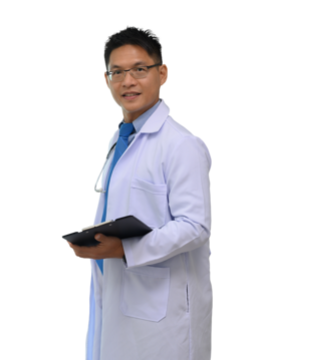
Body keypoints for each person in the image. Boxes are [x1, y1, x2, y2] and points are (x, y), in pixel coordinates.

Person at [70, 25, 213, 360]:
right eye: (117, 72)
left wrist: (124, 249)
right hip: (118, 299)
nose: (127, 81)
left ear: (162, 73)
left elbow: (196, 226)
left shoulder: (182, 145)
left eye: (139, 69)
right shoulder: (120, 139)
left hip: (163, 317)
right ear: (106, 79)